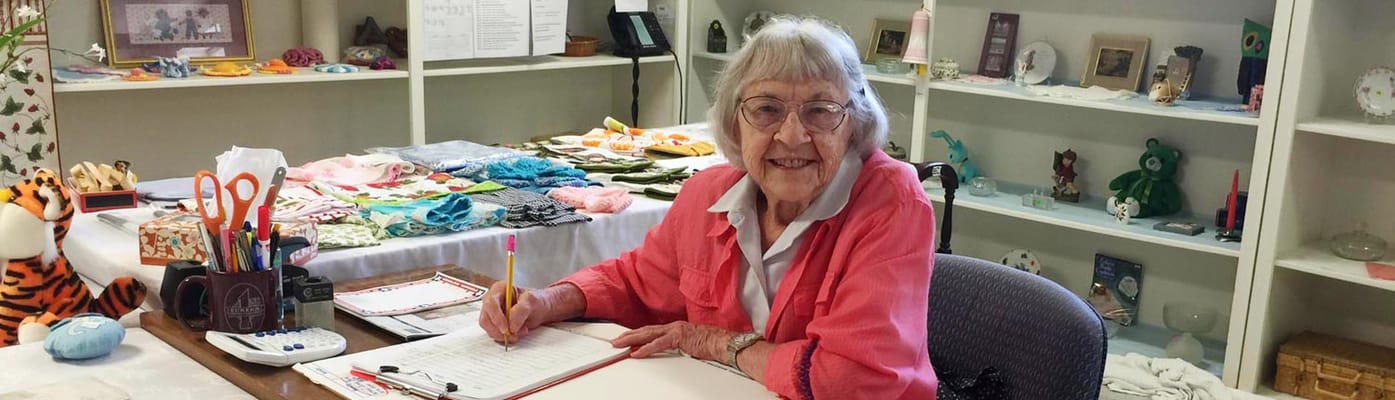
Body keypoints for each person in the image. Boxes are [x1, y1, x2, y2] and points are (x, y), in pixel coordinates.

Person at [480, 17, 938, 399]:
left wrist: (713, 342)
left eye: (820, 110)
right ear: (734, 122)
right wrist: (544, 301)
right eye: (767, 110)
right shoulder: (708, 194)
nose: (793, 136)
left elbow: (852, 379)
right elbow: (636, 283)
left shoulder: (890, 201)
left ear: (853, 122)